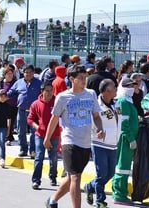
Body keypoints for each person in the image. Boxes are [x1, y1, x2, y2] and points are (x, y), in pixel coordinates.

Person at [43, 64, 104, 208]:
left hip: (86, 142)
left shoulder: (91, 94)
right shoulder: (63, 97)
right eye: (81, 78)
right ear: (72, 79)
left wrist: (100, 129)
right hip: (69, 141)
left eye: (85, 77)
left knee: (72, 177)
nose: (84, 80)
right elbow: (54, 119)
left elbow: (96, 116)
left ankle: (52, 199)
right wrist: (47, 138)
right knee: (76, 177)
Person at [83, 79, 119, 208]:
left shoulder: (116, 104)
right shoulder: (96, 105)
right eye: (114, 87)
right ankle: (100, 200)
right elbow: (90, 123)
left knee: (110, 173)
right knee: (102, 173)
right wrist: (97, 132)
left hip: (113, 144)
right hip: (99, 144)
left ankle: (90, 186)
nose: (116, 89)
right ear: (107, 91)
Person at [111, 78, 139, 205]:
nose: (133, 88)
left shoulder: (128, 101)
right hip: (125, 139)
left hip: (128, 137)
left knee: (124, 167)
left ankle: (120, 192)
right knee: (122, 167)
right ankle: (119, 194)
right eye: (130, 86)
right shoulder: (123, 101)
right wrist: (131, 139)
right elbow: (124, 123)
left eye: (134, 86)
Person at [28, 81, 60, 190]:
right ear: (42, 91)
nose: (50, 93)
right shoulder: (35, 104)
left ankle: (53, 177)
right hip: (40, 135)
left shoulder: (57, 102)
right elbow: (30, 119)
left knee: (53, 157)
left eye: (51, 90)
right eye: (47, 91)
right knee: (39, 157)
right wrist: (38, 127)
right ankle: (36, 180)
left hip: (54, 135)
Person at [8, 64, 41, 158]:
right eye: (26, 72)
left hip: (34, 113)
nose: (28, 74)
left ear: (33, 73)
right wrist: (3, 95)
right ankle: (23, 149)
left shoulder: (38, 83)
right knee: (21, 131)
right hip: (21, 111)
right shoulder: (19, 82)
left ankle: (33, 150)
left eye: (30, 72)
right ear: (23, 73)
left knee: (33, 132)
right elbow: (11, 92)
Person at [0, 66, 18, 145]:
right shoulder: (0, 84)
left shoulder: (15, 83)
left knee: (11, 122)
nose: (10, 75)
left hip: (13, 106)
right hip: (3, 106)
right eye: (8, 74)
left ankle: (9, 135)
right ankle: (7, 137)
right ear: (5, 75)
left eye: (11, 74)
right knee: (5, 122)